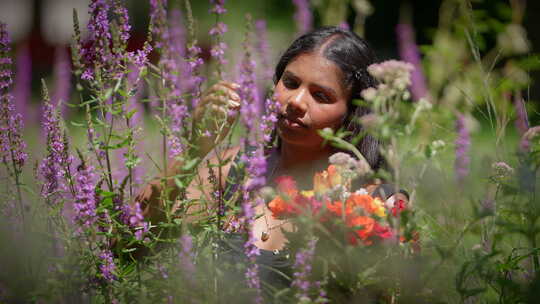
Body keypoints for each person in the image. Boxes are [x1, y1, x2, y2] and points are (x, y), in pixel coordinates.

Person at [133, 26, 409, 300]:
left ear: (352, 114)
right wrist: (194, 151)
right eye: (290, 83)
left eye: (320, 95)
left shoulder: (373, 204)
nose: (296, 101)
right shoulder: (234, 171)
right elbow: (133, 241)